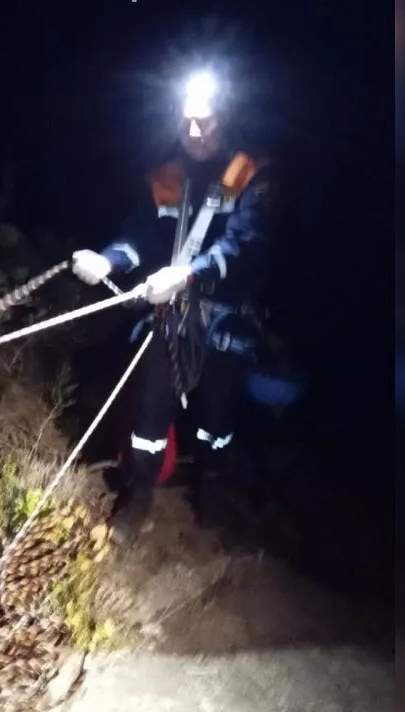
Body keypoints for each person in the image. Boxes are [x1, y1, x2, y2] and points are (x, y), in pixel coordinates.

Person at [71, 68, 283, 545]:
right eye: (186, 122)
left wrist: (186, 274)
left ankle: (212, 490)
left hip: (227, 318)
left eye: (205, 122)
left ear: (224, 118)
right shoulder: (166, 176)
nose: (194, 132)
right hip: (173, 314)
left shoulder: (252, 173)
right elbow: (142, 234)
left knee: (216, 420)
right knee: (150, 410)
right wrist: (107, 259)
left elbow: (245, 244)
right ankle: (137, 496)